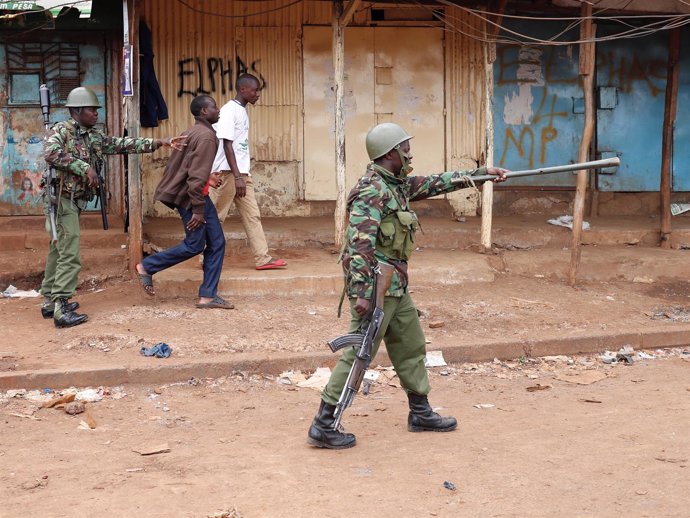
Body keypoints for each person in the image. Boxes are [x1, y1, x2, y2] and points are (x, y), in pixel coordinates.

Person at [307, 122, 509, 449]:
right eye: (405, 147)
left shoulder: (396, 185)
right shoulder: (372, 190)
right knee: (359, 353)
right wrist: (361, 294)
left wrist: (482, 174)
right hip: (376, 287)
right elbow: (358, 246)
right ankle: (324, 423)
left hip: (396, 286)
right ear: (390, 153)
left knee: (411, 344)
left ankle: (420, 412)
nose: (410, 152)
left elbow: (435, 182)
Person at [40, 86, 186, 328]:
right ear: (76, 111)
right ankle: (61, 307)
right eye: (90, 109)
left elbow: (122, 144)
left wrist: (160, 142)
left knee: (59, 249)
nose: (96, 114)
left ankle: (49, 300)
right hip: (60, 201)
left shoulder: (92, 136)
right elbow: (51, 153)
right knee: (69, 252)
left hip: (73, 201)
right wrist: (84, 167)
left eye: (96, 110)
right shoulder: (60, 131)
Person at [135, 95, 234, 310]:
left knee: (216, 242)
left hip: (191, 195)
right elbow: (195, 177)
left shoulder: (192, 131)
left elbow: (189, 168)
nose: (218, 110)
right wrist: (198, 210)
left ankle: (208, 296)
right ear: (203, 112)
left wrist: (205, 182)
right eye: (214, 107)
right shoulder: (207, 136)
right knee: (195, 245)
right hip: (191, 197)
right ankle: (147, 267)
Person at [208, 73, 287, 270]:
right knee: (216, 217)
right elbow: (227, 145)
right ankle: (205, 258)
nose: (258, 94)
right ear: (243, 89)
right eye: (255, 90)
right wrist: (236, 177)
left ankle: (262, 258)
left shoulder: (241, 111)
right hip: (227, 174)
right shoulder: (229, 110)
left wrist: (242, 176)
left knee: (253, 215)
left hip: (241, 174)